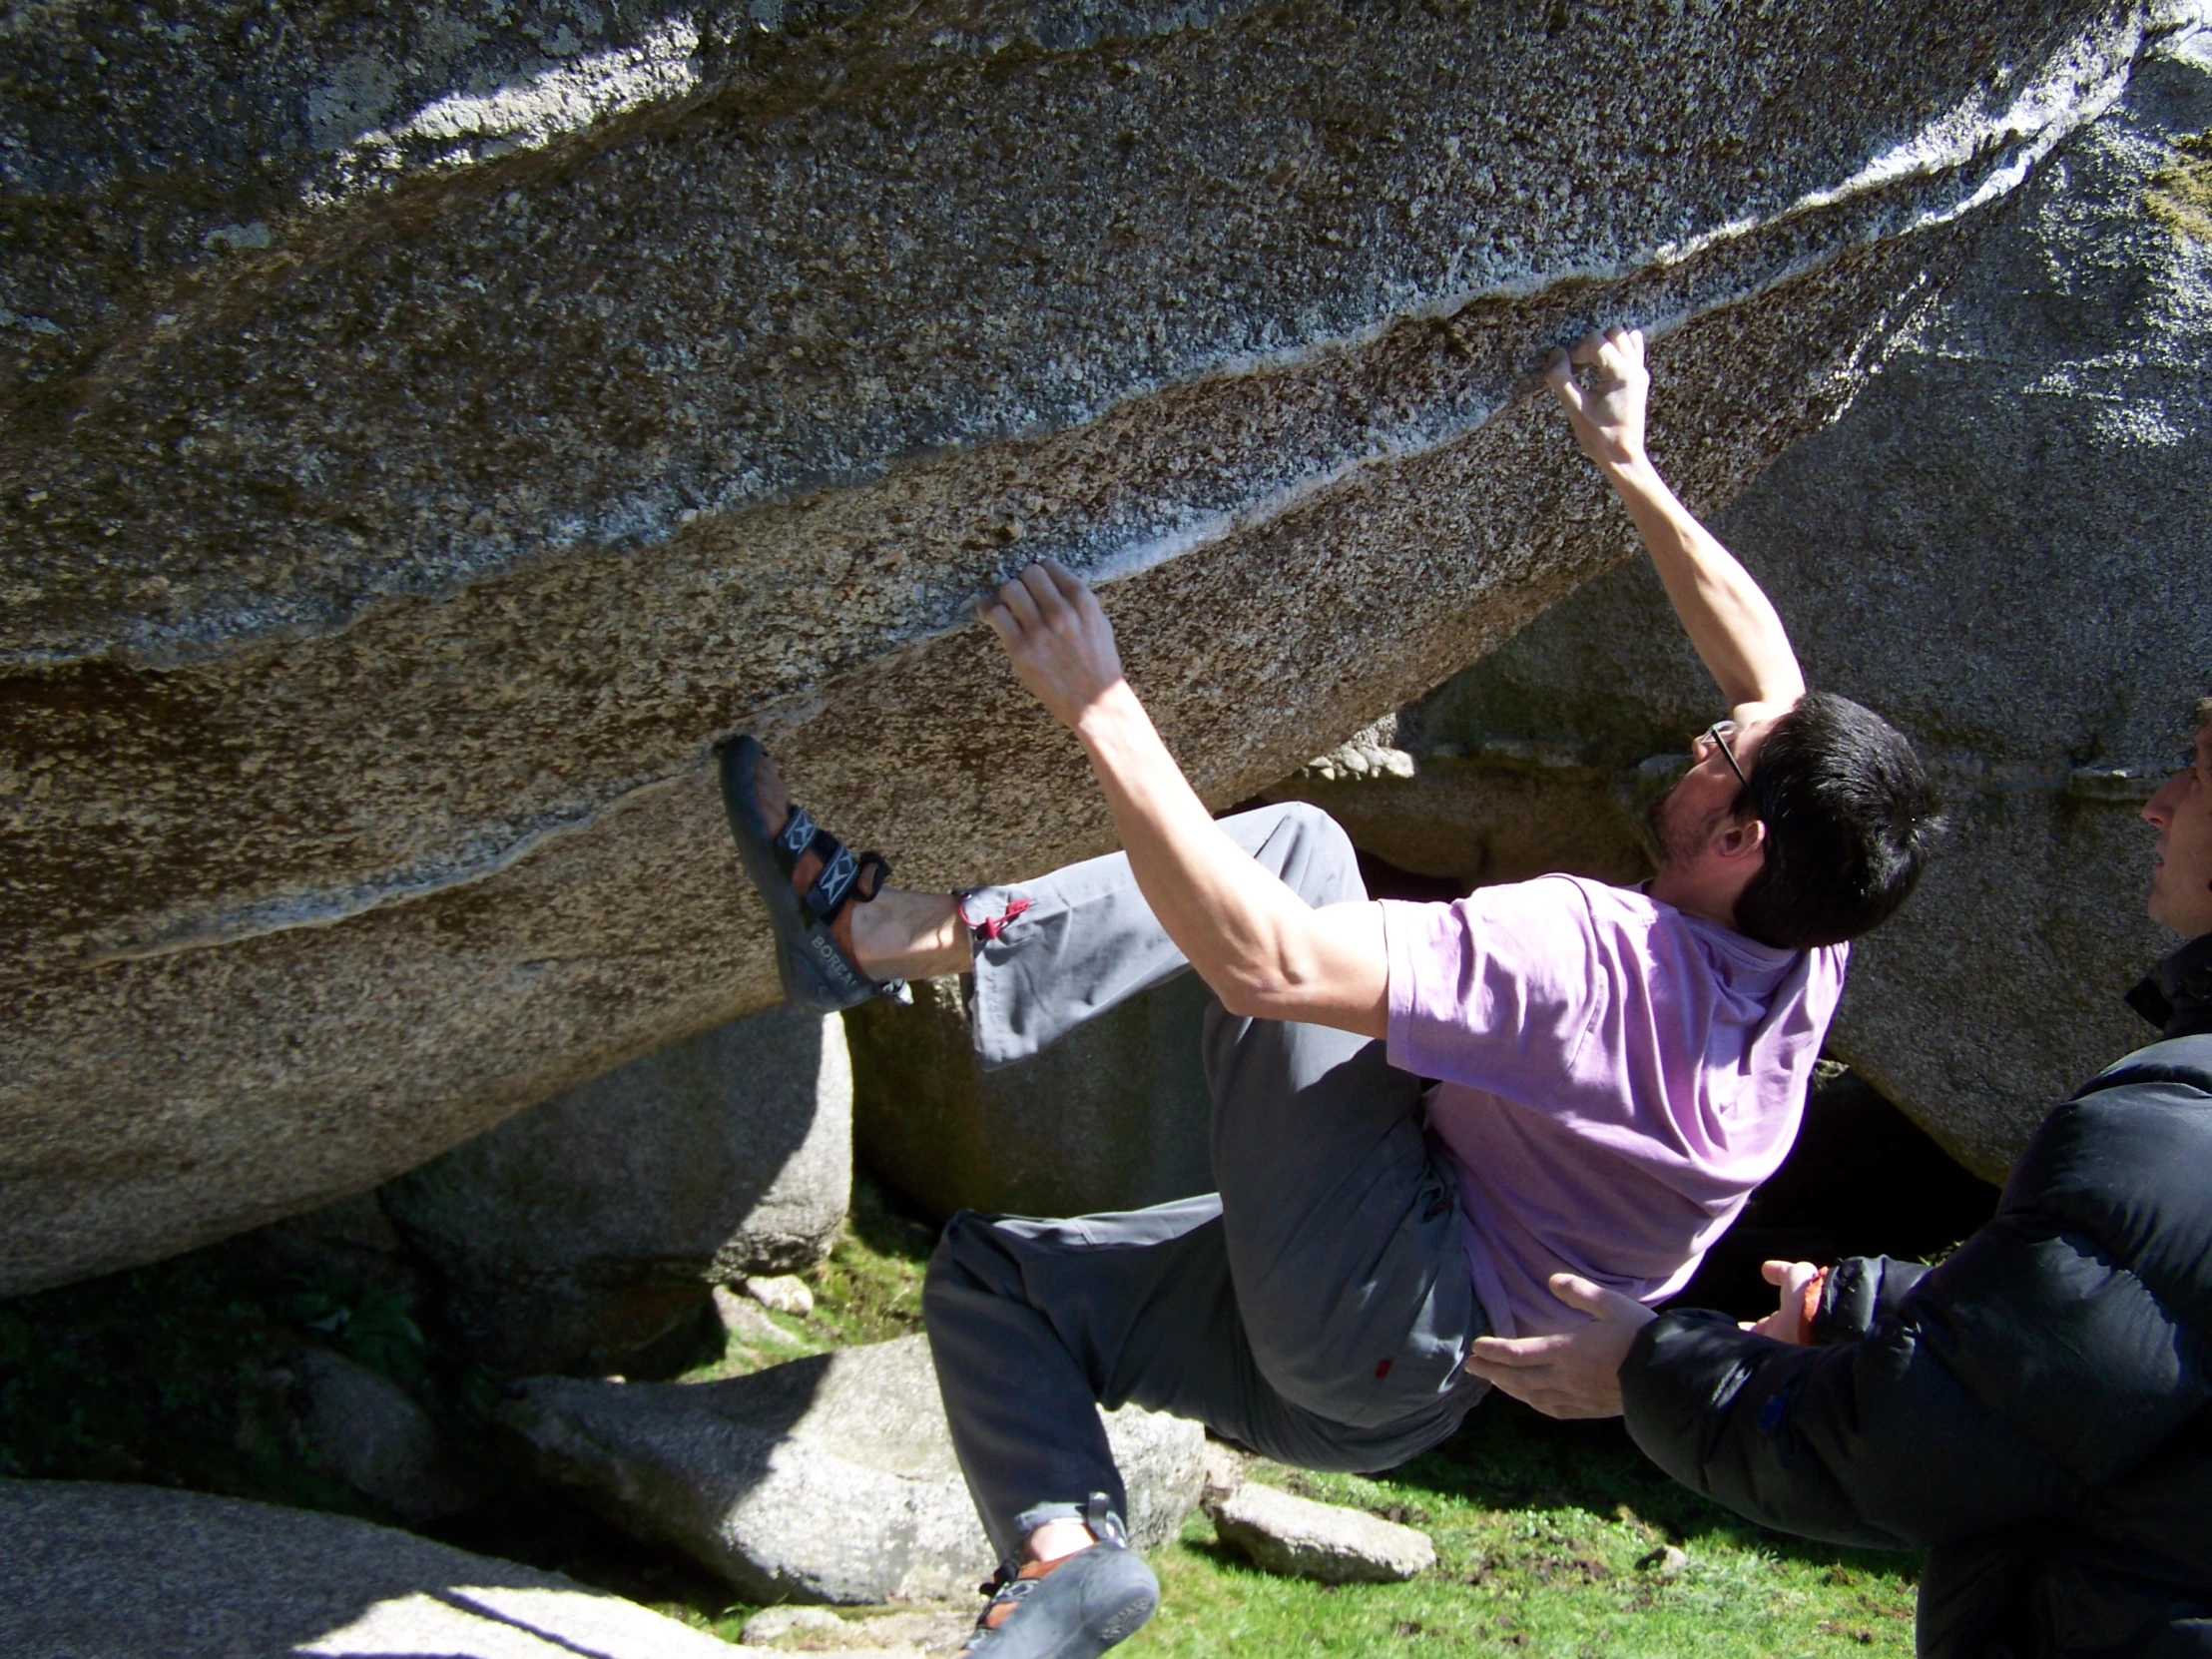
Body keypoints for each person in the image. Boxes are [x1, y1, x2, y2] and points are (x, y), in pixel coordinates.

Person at [718, 327, 1942, 1659]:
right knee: (994, 1283)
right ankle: (1062, 1555)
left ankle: (878, 932)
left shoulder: (1601, 962)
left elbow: (1271, 968)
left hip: (1385, 1292)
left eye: (1714, 757)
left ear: (1740, 838)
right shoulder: (1807, 938)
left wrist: (1102, 700)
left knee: (1295, 855)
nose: (1697, 742)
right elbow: (1772, 680)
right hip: (1397, 1392)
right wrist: (1628, 463)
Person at [1463, 701, 2212, 1656]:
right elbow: (2144, 1347)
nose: (2157, 805)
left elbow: (1905, 1456)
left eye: (2197, 773)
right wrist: (1869, 1308)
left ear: (1744, 838)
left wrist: (1646, 1367)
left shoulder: (2173, 1132)